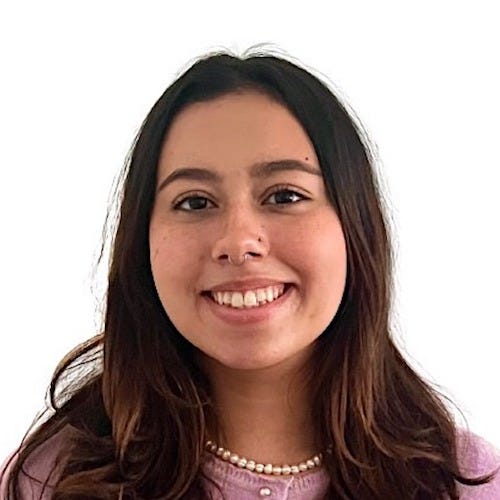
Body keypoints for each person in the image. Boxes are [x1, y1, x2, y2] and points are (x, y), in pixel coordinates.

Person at [1, 47, 499, 500]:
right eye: (194, 202)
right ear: (141, 243)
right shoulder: (52, 479)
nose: (238, 242)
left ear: (355, 227)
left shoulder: (462, 481)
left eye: (285, 196)